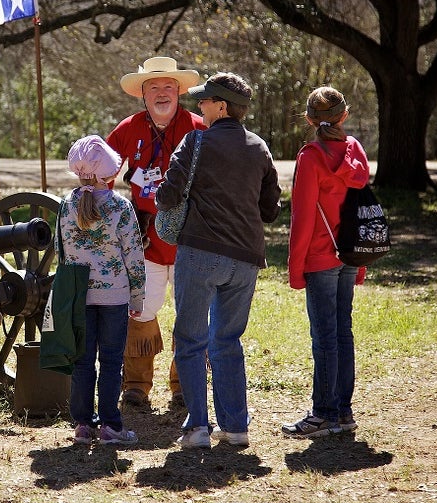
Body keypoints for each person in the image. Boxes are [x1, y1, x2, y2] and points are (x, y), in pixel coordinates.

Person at [156, 72, 281, 449]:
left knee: (190, 340)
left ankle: (197, 429)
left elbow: (166, 197)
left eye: (205, 101)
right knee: (227, 340)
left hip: (200, 253)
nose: (199, 106)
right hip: (245, 259)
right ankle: (236, 427)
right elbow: (270, 210)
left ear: (222, 106)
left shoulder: (195, 142)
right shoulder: (260, 147)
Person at [106, 56, 207, 409]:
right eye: (154, 88)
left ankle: (184, 384)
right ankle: (136, 384)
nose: (162, 94)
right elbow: (102, 172)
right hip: (145, 241)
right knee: (141, 310)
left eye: (168, 87)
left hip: (190, 240)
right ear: (143, 94)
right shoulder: (127, 129)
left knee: (191, 314)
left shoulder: (200, 128)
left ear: (179, 92)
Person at [283, 86, 370, 438]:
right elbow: (362, 210)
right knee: (343, 333)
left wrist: (294, 268)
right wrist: (361, 262)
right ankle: (343, 411)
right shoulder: (356, 152)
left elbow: (303, 217)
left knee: (324, 337)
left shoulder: (310, 156)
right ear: (344, 116)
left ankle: (323, 414)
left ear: (308, 119)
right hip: (350, 251)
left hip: (320, 257)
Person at [60, 136, 146, 445]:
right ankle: (111, 425)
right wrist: (137, 295)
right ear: (107, 171)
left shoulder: (67, 206)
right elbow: (133, 255)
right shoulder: (120, 207)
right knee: (111, 362)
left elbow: (63, 253)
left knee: (82, 361)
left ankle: (83, 425)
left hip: (80, 295)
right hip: (114, 297)